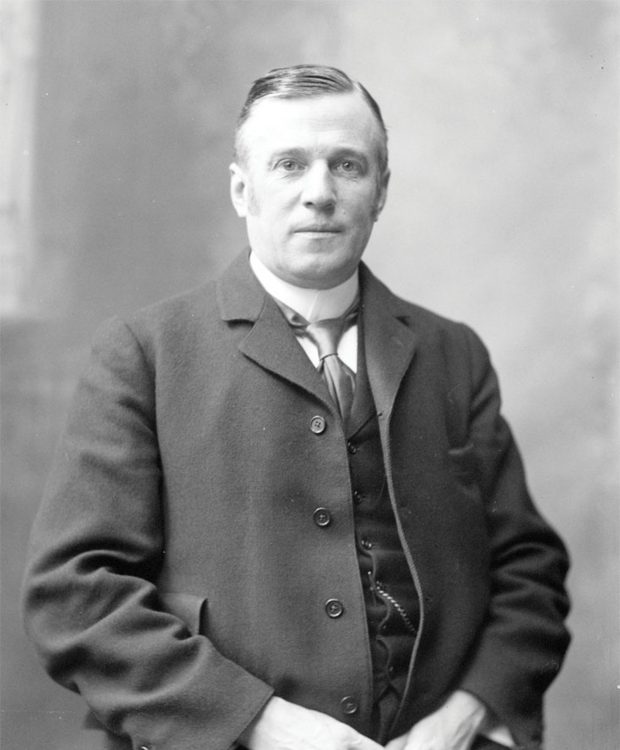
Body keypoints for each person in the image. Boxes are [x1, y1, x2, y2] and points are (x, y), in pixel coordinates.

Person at [22, 65, 570, 750]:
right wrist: (257, 721)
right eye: (289, 165)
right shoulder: (144, 355)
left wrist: (463, 715)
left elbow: (529, 570)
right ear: (241, 189)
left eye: (347, 165)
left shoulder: (453, 354)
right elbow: (75, 598)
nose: (320, 193)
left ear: (382, 192)